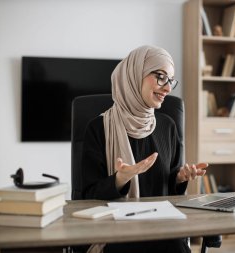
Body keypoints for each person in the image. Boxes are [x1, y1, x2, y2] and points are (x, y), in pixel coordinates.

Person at [81, 45, 208, 253]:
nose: (167, 88)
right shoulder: (97, 128)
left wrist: (179, 179)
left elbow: (169, 190)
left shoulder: (168, 126)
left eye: (170, 80)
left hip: (162, 228)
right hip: (115, 229)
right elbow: (87, 197)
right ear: (134, 75)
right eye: (160, 76)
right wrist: (120, 179)